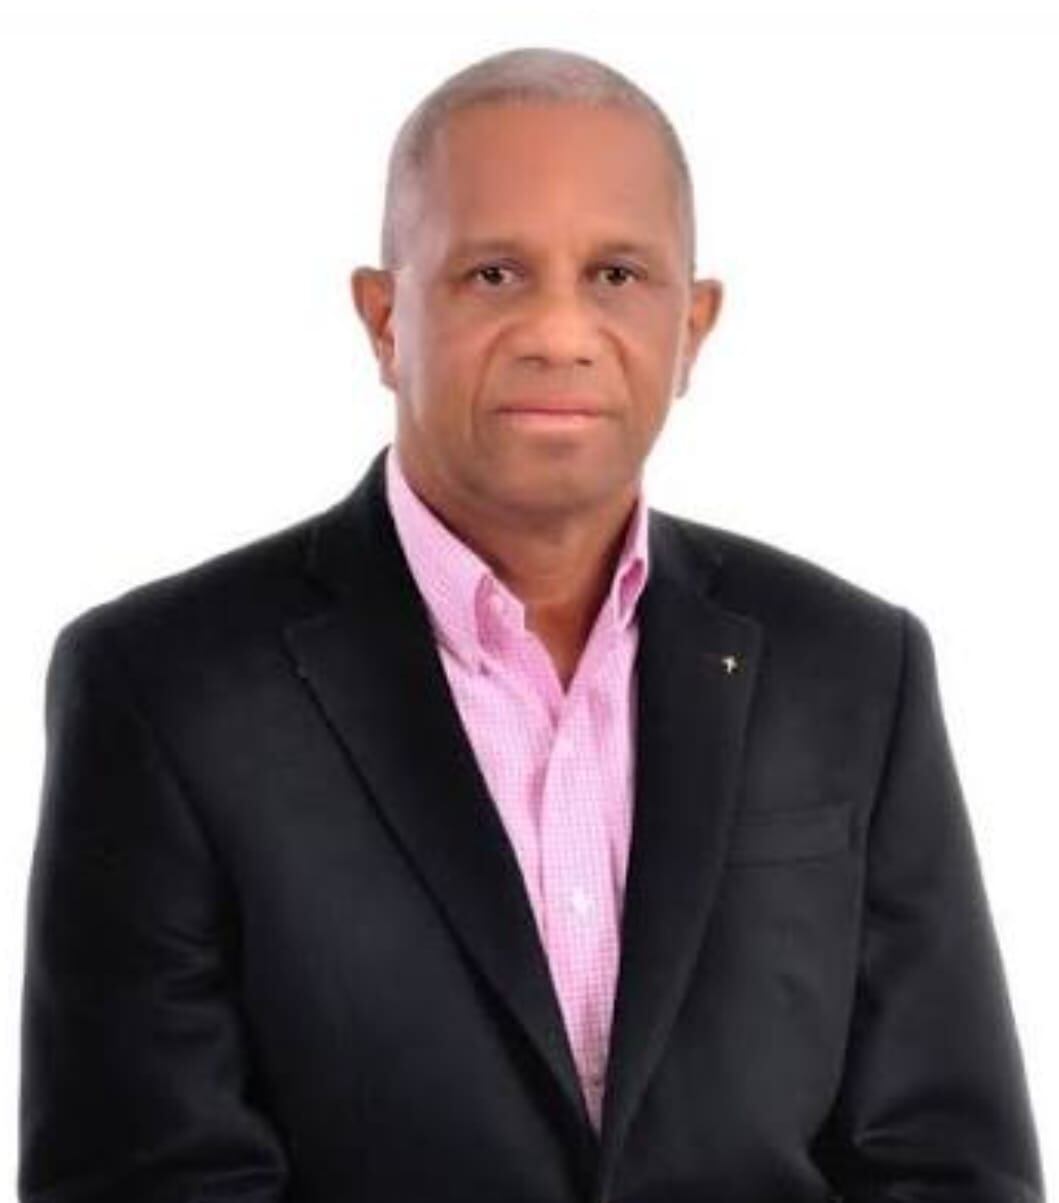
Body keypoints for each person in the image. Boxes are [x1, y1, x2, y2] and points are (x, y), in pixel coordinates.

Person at [18, 45, 1044, 1203]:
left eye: (616, 274)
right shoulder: (167, 690)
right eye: (494, 274)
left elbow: (950, 1165)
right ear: (383, 319)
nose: (560, 330)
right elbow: (144, 1179)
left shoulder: (853, 671)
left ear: (694, 325)